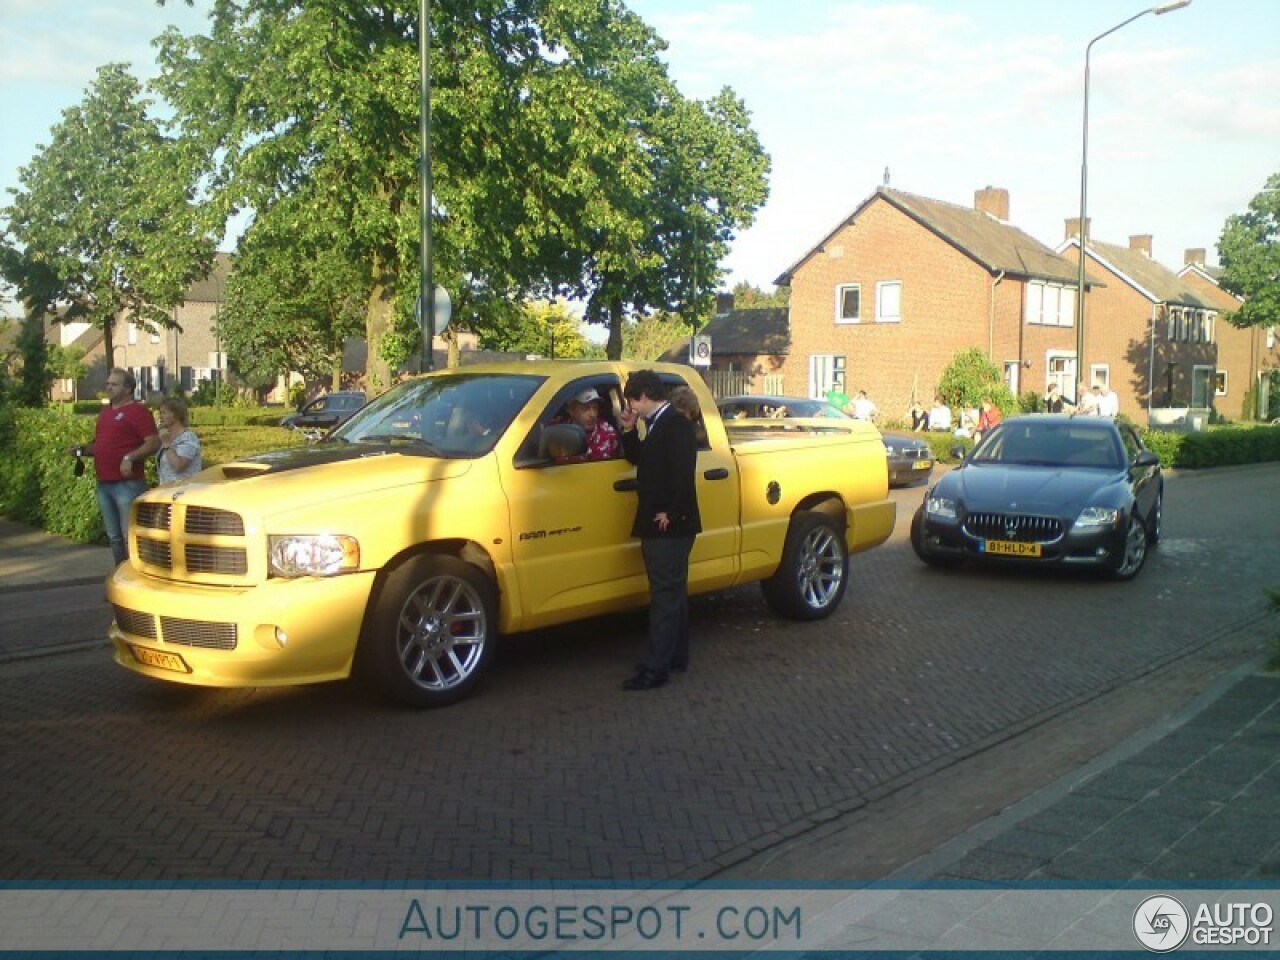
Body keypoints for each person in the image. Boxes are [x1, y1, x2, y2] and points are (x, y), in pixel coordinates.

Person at [618, 370, 701, 692]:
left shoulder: (674, 425)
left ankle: (656, 670)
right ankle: (675, 657)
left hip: (668, 524)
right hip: (665, 520)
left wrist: (672, 512)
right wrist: (628, 431)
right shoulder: (656, 425)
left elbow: (683, 474)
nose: (631, 408)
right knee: (673, 592)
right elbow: (641, 458)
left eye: (632, 402)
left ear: (642, 396)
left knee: (664, 595)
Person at [68, 368, 160, 565]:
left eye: (114, 384)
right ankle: (121, 573)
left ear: (128, 389)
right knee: (114, 536)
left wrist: (130, 457)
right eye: (108, 383)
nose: (108, 387)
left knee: (131, 536)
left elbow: (153, 442)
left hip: (127, 484)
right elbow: (102, 445)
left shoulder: (138, 412)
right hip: (104, 482)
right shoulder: (106, 413)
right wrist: (82, 450)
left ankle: (138, 575)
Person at [554, 387, 619, 462]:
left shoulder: (607, 433)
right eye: (585, 408)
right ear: (571, 410)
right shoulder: (558, 430)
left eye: (595, 408)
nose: (592, 414)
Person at [155, 395, 203, 485]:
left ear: (176, 415)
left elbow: (178, 465)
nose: (160, 417)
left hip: (184, 492)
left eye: (163, 413)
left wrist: (166, 444)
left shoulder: (188, 438)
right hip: (166, 492)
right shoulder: (166, 436)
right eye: (160, 413)